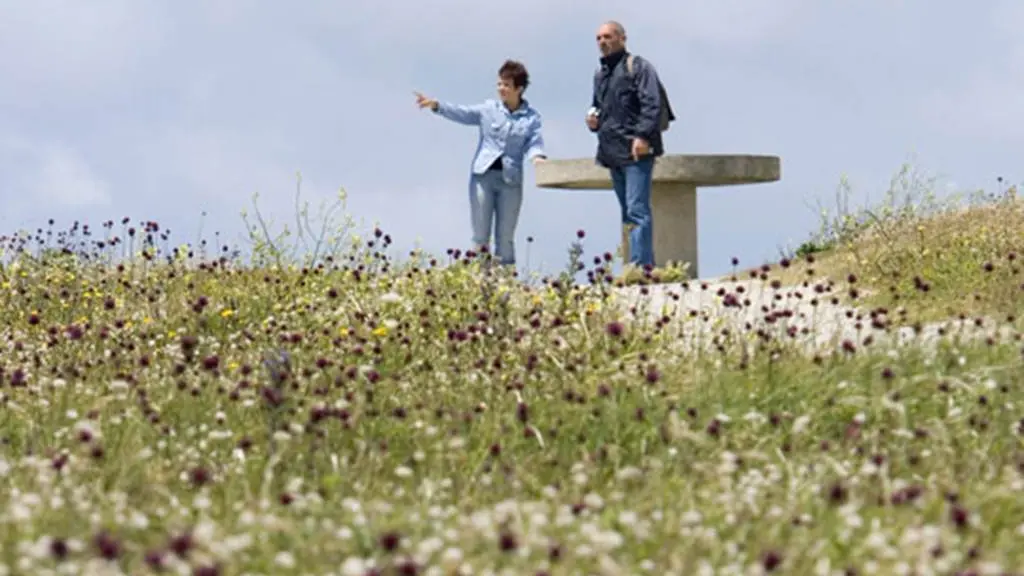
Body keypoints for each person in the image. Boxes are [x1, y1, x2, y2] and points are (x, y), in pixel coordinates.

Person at [415, 60, 546, 268]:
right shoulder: (489, 109)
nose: (501, 89)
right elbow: (463, 113)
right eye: (499, 84)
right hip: (482, 178)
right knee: (480, 233)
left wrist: (537, 158)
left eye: (506, 85)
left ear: (519, 89)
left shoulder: (531, 117)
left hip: (510, 181)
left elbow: (534, 142)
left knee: (505, 236)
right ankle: (479, 279)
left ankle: (505, 284)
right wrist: (436, 106)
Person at [586, 20, 674, 270]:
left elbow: (652, 104)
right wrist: (592, 120)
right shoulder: (600, 74)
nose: (603, 42)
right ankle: (640, 264)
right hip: (612, 151)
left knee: (637, 210)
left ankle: (641, 266)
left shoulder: (639, 67)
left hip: (637, 152)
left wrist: (643, 137)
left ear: (622, 38)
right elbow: (599, 106)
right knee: (628, 212)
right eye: (599, 38)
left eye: (608, 37)